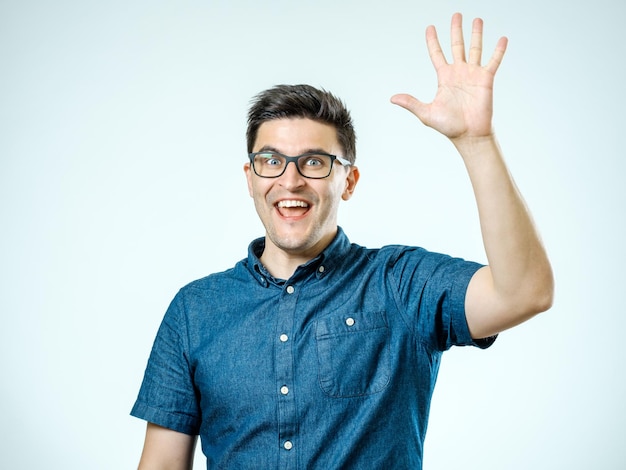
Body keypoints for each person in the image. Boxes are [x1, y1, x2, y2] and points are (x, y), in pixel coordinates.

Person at [131, 12, 554, 469]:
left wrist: (477, 142)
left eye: (314, 162)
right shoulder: (194, 310)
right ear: (250, 177)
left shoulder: (400, 284)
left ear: (348, 181)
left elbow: (525, 292)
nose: (290, 181)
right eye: (271, 161)